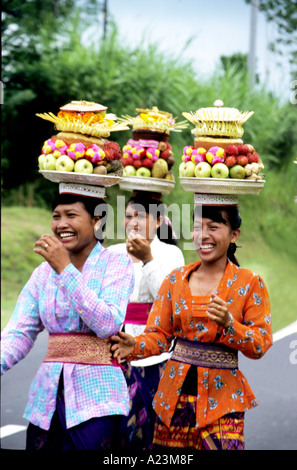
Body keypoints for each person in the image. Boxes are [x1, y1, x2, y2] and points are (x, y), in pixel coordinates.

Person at [111, 202, 273, 451]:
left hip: (223, 403)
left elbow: (260, 344)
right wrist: (135, 345)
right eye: (197, 227)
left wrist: (231, 325)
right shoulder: (176, 280)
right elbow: (160, 336)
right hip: (172, 401)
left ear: (234, 235)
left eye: (213, 227)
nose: (203, 235)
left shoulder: (250, 283)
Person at [1, 192, 134, 450]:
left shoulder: (116, 262)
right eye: (56, 216)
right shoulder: (42, 273)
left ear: (97, 221)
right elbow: (19, 332)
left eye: (71, 215)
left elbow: (108, 323)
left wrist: (65, 269)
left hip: (99, 401)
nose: (61, 224)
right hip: (46, 400)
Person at [109, 191, 185, 449]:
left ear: (160, 221)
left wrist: (147, 259)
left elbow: (170, 303)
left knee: (151, 426)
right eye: (128, 216)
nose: (133, 222)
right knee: (118, 427)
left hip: (156, 353)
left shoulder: (171, 254)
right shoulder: (112, 252)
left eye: (140, 216)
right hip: (114, 349)